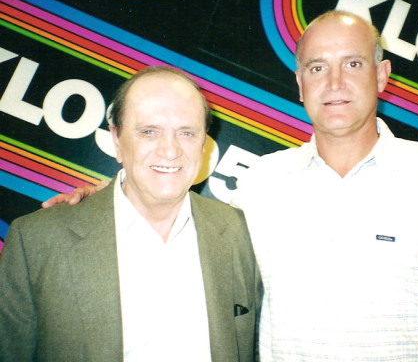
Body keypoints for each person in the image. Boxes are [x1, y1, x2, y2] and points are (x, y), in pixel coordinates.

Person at [38, 11, 418, 361]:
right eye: (316, 68)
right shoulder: (261, 182)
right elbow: (179, 221)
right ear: (299, 83)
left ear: (381, 76)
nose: (333, 82)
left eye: (352, 63)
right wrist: (100, 203)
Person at [0, 66, 262, 362]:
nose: (170, 150)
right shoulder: (36, 240)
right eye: (149, 132)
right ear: (116, 140)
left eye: (186, 133)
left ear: (203, 143)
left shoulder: (243, 234)